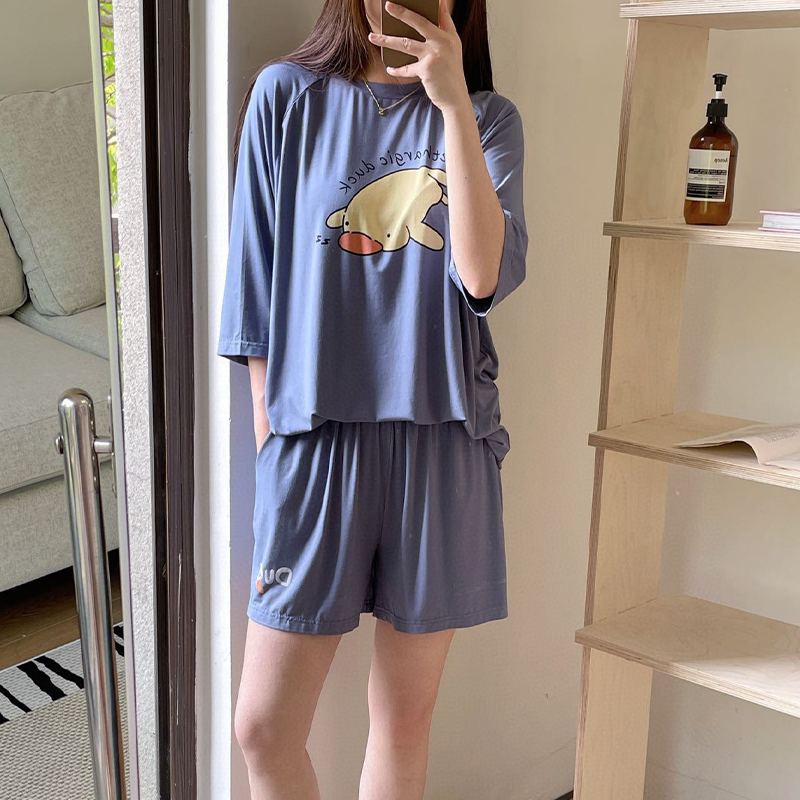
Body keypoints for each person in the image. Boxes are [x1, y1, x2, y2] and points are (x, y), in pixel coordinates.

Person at [216, 0, 528, 796]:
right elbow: (252, 288)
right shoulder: (286, 96)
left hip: (442, 444)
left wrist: (452, 104)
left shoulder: (489, 117)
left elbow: (482, 276)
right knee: (263, 727)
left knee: (403, 719)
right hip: (314, 439)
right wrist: (272, 443)